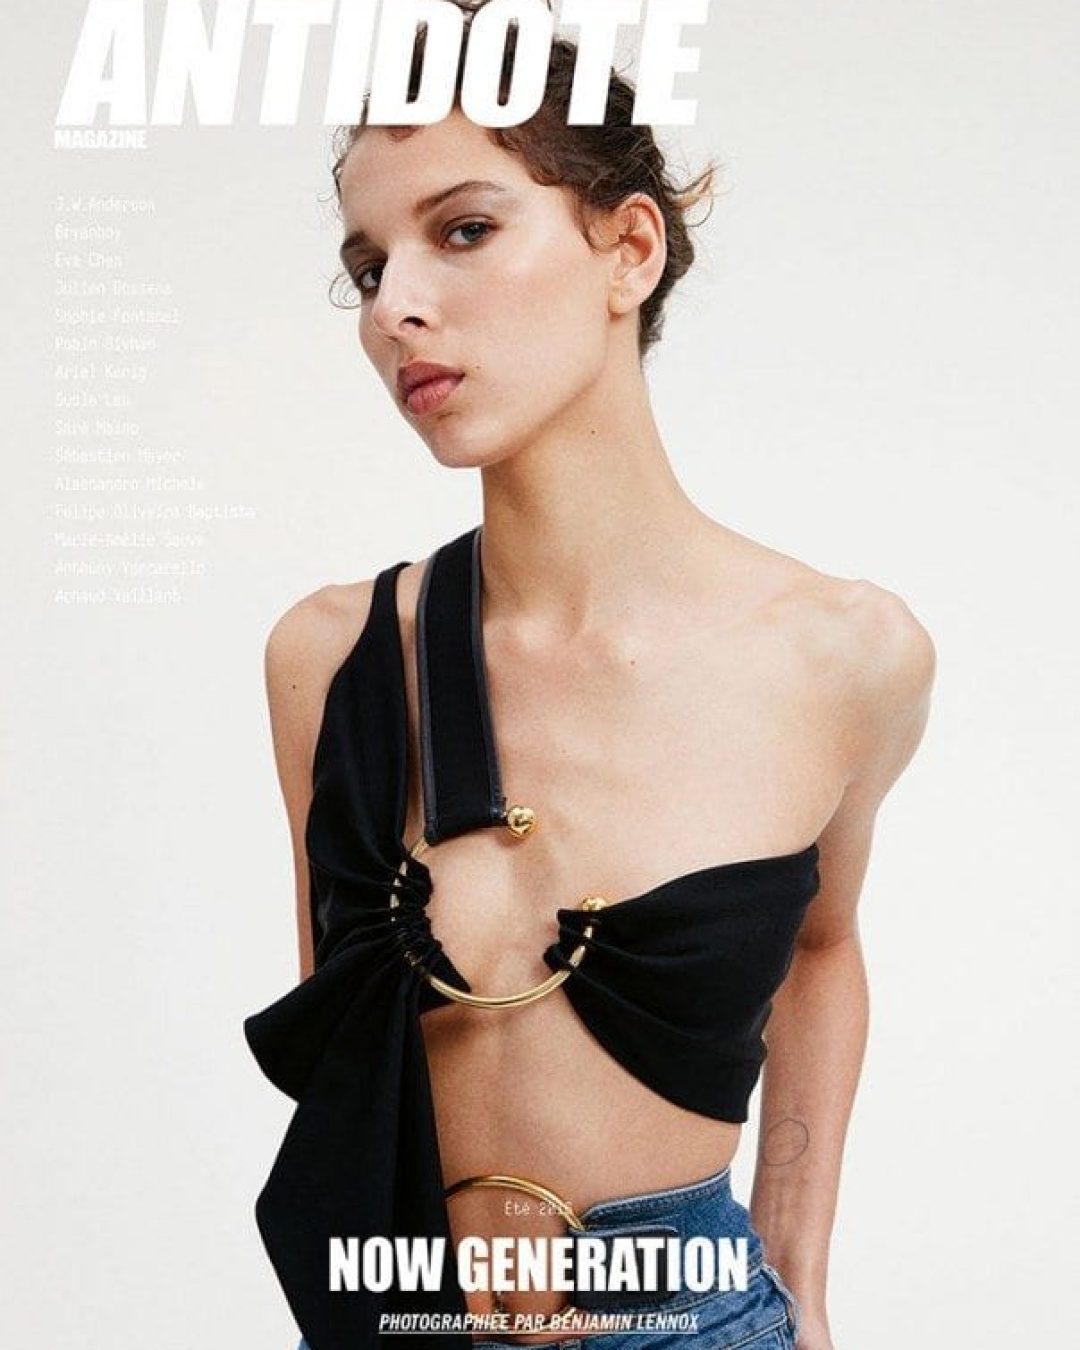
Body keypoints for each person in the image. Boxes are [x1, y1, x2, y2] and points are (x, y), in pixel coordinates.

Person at [246, 12, 936, 1350]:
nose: (392, 307)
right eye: (367, 265)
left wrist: (799, 1277)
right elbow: (353, 1064)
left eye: (462, 229)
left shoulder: (842, 654)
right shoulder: (331, 661)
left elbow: (823, 943)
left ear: (629, 250)